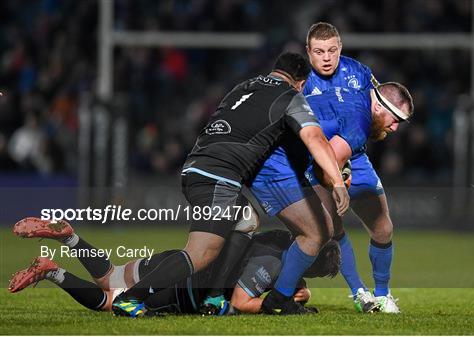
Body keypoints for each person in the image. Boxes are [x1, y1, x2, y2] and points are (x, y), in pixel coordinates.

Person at [110, 52, 349, 317]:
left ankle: (214, 298)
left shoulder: (243, 88)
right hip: (217, 177)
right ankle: (130, 299)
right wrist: (337, 181)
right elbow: (314, 137)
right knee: (199, 255)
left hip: (199, 167)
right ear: (301, 83)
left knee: (246, 219)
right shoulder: (290, 96)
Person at [9, 218, 340, 316]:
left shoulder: (279, 239)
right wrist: (279, 304)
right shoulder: (274, 262)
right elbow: (241, 301)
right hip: (190, 288)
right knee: (113, 300)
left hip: (186, 258)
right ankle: (52, 271)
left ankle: (70, 239)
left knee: (112, 276)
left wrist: (300, 294)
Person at [304, 22, 413, 313]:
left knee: (383, 228)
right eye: (319, 51)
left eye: (332, 50)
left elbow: (377, 115)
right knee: (333, 228)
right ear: (309, 52)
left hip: (355, 158)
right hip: (313, 161)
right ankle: (360, 293)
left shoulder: (361, 73)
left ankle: (382, 294)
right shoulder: (298, 79)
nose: (326, 57)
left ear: (340, 49)